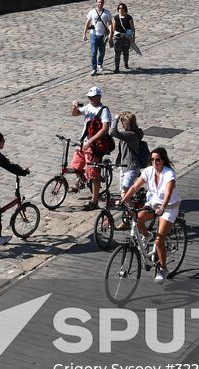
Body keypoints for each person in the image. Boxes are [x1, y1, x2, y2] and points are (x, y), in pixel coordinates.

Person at [117, 147, 181, 282]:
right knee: (138, 218)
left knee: (159, 241)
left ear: (163, 160)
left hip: (168, 207)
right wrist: (123, 200)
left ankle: (163, 268)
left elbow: (168, 194)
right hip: (153, 203)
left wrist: (163, 208)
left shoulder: (169, 174)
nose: (154, 162)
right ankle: (147, 236)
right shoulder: (148, 171)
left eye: (157, 160)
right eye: (152, 159)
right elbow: (135, 187)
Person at [69, 86, 113, 212]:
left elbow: (105, 129)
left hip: (95, 146)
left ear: (99, 97)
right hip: (83, 143)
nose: (90, 99)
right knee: (76, 165)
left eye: (93, 97)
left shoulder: (104, 110)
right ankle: (81, 180)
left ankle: (94, 201)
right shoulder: (88, 107)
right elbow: (75, 113)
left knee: (93, 174)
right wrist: (74, 106)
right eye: (89, 97)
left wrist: (91, 140)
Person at [112, 112, 146, 192]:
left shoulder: (130, 135)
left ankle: (129, 204)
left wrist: (116, 119)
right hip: (125, 166)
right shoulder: (133, 133)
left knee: (125, 190)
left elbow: (113, 132)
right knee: (123, 191)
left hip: (130, 167)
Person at [83, 0, 112, 76]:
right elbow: (87, 23)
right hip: (94, 35)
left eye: (102, 2)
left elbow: (109, 24)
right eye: (99, 2)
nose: (100, 4)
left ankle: (99, 64)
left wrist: (110, 34)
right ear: (96, 3)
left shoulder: (107, 13)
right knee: (93, 53)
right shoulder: (92, 12)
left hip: (103, 36)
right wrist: (84, 33)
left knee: (102, 52)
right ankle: (94, 69)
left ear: (103, 3)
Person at [109, 3, 141, 72]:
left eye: (122, 8)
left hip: (126, 38)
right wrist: (111, 38)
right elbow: (113, 29)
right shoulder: (116, 18)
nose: (121, 10)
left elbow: (132, 28)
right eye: (119, 8)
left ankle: (126, 62)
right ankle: (116, 67)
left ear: (125, 9)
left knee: (126, 52)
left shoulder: (129, 18)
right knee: (117, 53)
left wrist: (133, 36)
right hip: (118, 37)